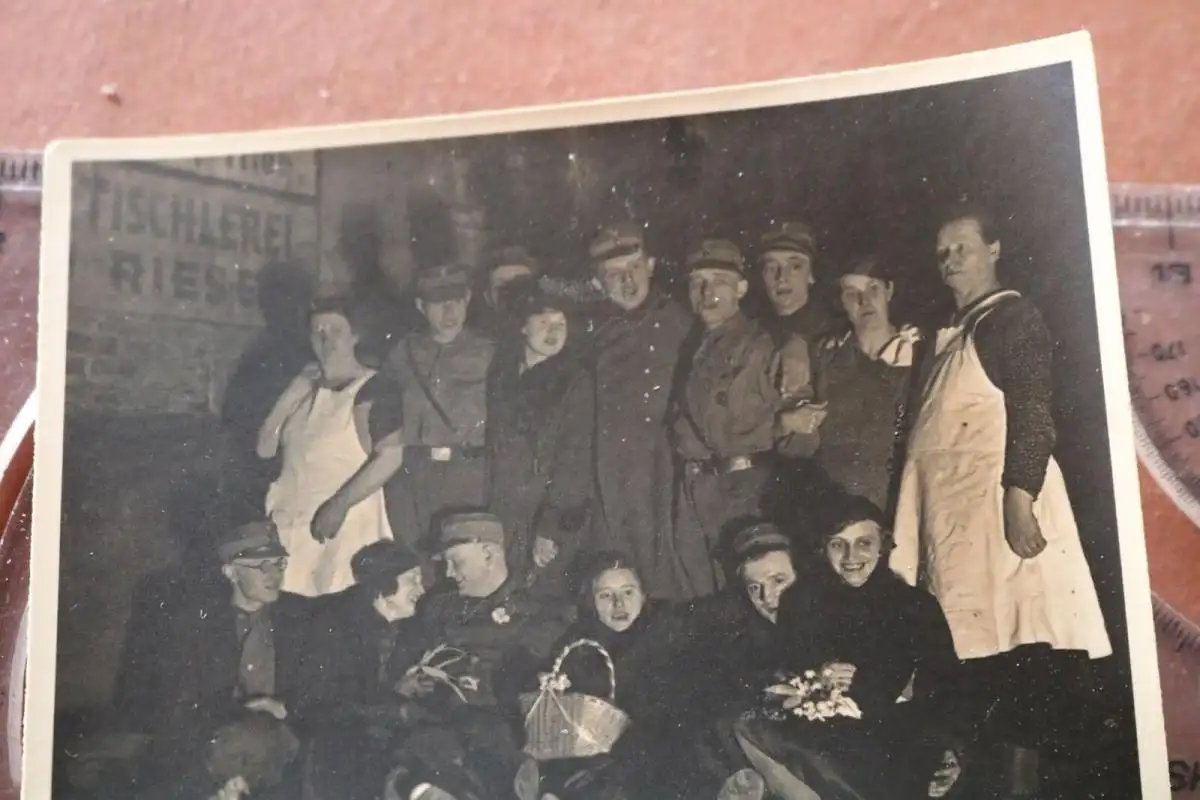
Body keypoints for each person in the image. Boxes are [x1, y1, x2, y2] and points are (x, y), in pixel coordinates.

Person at [890, 207, 1112, 795]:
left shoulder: (1011, 319)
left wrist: (1020, 499)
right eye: (941, 252)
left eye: (961, 247)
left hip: (1001, 516)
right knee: (969, 658)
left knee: (1020, 655)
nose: (949, 260)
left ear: (994, 249)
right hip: (954, 522)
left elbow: (1034, 413)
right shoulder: (952, 332)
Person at [730, 495, 965, 800]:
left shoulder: (915, 606)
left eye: (864, 543)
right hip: (820, 739)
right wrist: (817, 674)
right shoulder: (803, 602)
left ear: (883, 544)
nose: (851, 556)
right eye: (838, 544)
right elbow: (780, 669)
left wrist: (950, 749)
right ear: (823, 547)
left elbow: (946, 687)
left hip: (894, 739)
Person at [127, 522, 305, 797]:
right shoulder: (196, 626)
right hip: (219, 745)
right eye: (261, 566)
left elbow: (324, 691)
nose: (275, 575)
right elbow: (178, 709)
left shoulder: (302, 617)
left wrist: (283, 708)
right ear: (231, 572)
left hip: (284, 745)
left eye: (279, 563)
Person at [257, 296, 402, 602]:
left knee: (342, 610)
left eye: (335, 329)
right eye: (317, 331)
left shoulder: (371, 387)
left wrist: (339, 505)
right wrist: (289, 396)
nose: (325, 338)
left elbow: (390, 456)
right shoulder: (303, 388)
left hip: (344, 526)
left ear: (355, 335)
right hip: (293, 523)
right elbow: (265, 449)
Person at [668, 239, 784, 598]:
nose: (706, 291)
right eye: (697, 282)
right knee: (706, 596)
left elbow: (755, 430)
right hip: (700, 487)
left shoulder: (756, 345)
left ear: (742, 288)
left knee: (745, 594)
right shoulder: (700, 343)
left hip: (741, 490)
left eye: (719, 279)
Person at [585, 222, 693, 599]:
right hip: (616, 478)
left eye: (633, 268)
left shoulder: (683, 321)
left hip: (670, 473)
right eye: (613, 274)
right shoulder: (594, 336)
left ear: (651, 265)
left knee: (675, 576)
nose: (627, 281)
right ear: (598, 282)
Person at [511, 551, 667, 800]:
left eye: (628, 592)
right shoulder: (580, 642)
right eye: (606, 595)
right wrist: (550, 683)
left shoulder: (665, 634)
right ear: (591, 602)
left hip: (650, 749)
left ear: (643, 595)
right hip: (592, 752)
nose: (619, 604)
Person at [488, 285, 595, 594]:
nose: (553, 331)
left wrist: (550, 529)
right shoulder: (502, 373)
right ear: (523, 325)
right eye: (544, 322)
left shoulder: (573, 381)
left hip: (544, 513)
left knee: (542, 595)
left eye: (561, 324)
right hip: (503, 508)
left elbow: (573, 461)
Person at [381, 263, 497, 551]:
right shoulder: (401, 352)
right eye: (437, 302)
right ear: (421, 306)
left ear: (468, 299)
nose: (449, 311)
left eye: (456, 300)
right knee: (418, 560)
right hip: (415, 475)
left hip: (469, 474)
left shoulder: (491, 352)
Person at [807, 255, 923, 514]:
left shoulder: (919, 356)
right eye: (852, 293)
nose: (865, 301)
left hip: (897, 504)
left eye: (873, 289)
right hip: (836, 505)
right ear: (841, 301)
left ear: (889, 291)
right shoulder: (826, 357)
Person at [474, 244, 543, 338]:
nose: (513, 292)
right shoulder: (476, 337)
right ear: (487, 295)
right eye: (503, 285)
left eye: (521, 285)